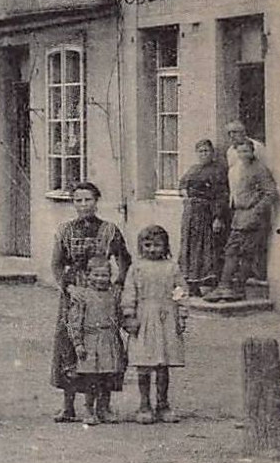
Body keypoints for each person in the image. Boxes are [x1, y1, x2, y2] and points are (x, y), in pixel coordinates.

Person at [50, 181, 131, 423]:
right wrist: (68, 286)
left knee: (104, 347)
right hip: (74, 293)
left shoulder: (110, 230)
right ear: (73, 203)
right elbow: (56, 265)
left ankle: (103, 406)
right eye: (78, 200)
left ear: (97, 201)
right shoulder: (65, 230)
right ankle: (68, 406)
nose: (83, 205)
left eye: (88, 200)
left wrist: (117, 285)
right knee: (69, 346)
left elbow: (124, 260)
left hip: (103, 293)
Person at [120, 225, 188, 424]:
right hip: (144, 318)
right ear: (141, 246)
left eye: (157, 245)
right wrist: (129, 315)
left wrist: (182, 313)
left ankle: (163, 404)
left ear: (165, 246)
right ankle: (144, 404)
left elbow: (180, 291)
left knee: (162, 364)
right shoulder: (136, 268)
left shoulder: (172, 267)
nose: (152, 249)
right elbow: (129, 292)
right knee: (144, 364)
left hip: (166, 318)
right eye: (147, 245)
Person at [208, 139, 280, 302]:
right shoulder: (236, 168)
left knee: (243, 252)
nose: (243, 155)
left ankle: (235, 288)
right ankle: (225, 287)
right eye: (240, 152)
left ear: (253, 152)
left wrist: (255, 210)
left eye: (246, 151)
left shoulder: (259, 169)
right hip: (239, 215)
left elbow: (271, 193)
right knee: (232, 250)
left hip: (253, 217)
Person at [66, 255, 127, 425]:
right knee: (91, 378)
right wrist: (78, 343)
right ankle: (88, 409)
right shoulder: (82, 296)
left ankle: (104, 408)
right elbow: (74, 321)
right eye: (96, 275)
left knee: (107, 377)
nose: (101, 279)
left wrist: (130, 327)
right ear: (88, 276)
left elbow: (120, 317)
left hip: (109, 340)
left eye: (105, 275)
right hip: (90, 340)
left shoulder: (114, 295)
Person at [177, 139, 229, 296]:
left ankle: (204, 282)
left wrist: (218, 217)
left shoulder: (217, 170)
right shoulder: (193, 169)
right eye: (200, 151)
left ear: (212, 153)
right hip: (190, 214)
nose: (203, 154)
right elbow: (182, 185)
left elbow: (221, 195)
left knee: (203, 247)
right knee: (189, 246)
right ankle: (190, 284)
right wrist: (184, 193)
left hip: (206, 213)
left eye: (206, 151)